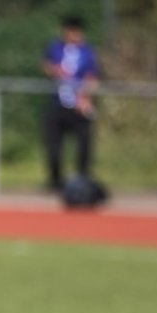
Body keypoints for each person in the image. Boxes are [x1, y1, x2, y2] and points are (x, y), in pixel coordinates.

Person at [41, 15, 99, 192]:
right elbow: (46, 65)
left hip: (79, 107)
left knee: (84, 144)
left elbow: (92, 77)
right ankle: (55, 180)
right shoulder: (55, 48)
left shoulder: (87, 52)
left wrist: (85, 97)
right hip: (58, 104)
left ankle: (82, 180)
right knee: (53, 145)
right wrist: (54, 70)